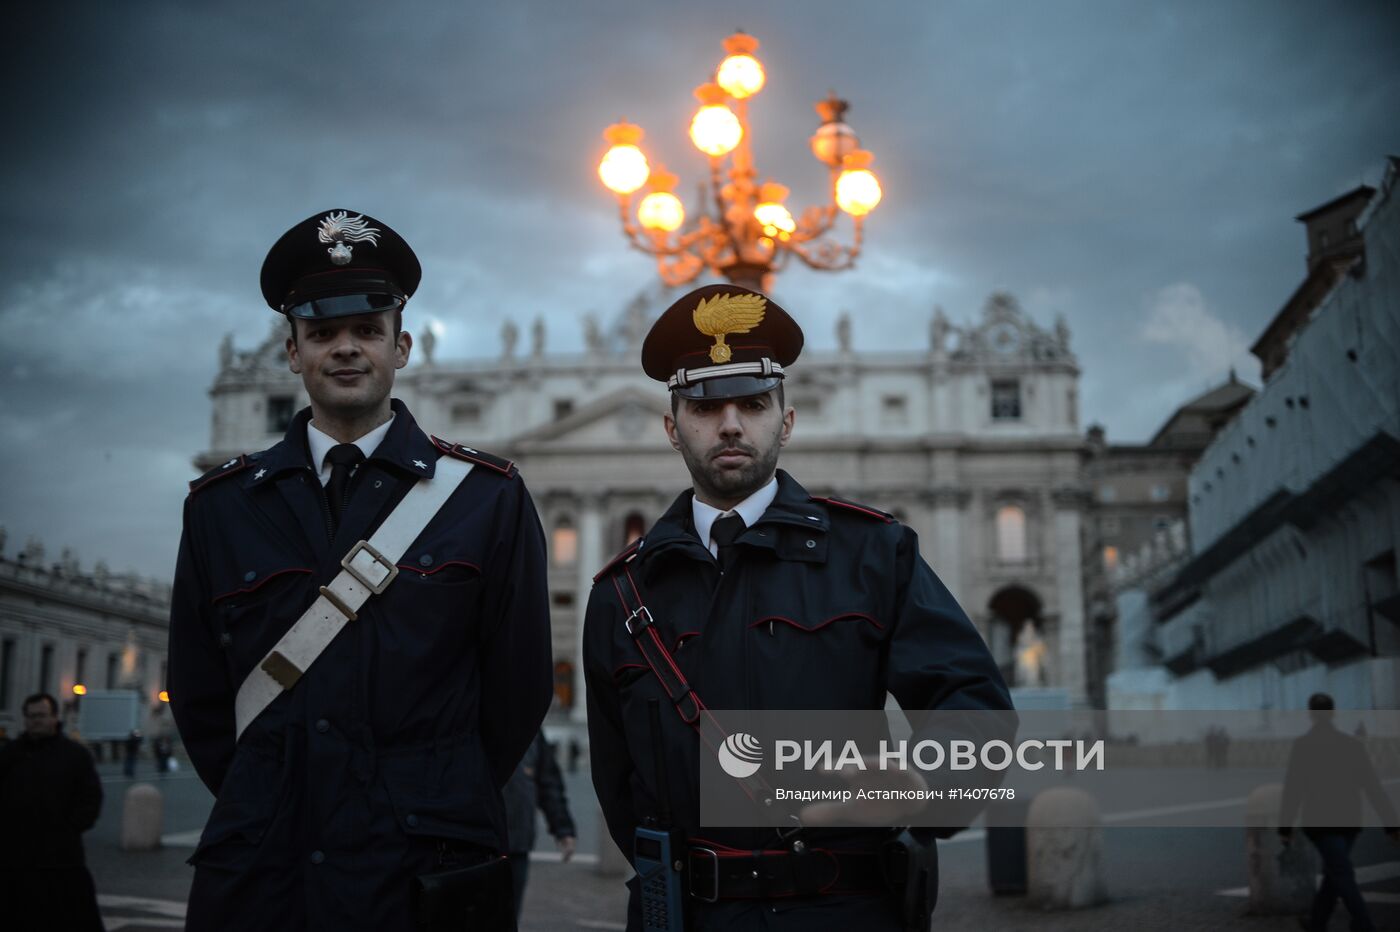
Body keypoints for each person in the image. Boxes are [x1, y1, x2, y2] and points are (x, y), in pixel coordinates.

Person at [168, 208, 553, 931]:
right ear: (292, 352)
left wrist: (429, 792)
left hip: (419, 868)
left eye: (367, 331)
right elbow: (196, 692)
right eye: (322, 333)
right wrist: (272, 790)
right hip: (265, 867)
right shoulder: (220, 507)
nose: (346, 349)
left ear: (401, 345)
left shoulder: (485, 499)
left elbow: (519, 688)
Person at [583, 284, 1013, 930]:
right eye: (705, 406)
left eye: (752, 404)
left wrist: (922, 782)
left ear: (786, 421)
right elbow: (617, 785)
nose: (730, 424)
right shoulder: (620, 594)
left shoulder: (872, 554)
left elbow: (976, 710)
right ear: (672, 428)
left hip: (842, 910)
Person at [1279, 692, 1400, 932]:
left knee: (1339, 872)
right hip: (1349, 821)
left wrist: (1285, 827)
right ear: (1333, 712)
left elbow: (1293, 789)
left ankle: (1362, 925)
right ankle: (1320, 923)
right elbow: (1372, 787)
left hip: (1319, 821)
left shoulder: (1303, 746)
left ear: (1311, 714)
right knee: (1338, 869)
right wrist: (1391, 824)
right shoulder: (1352, 745)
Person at [0, 693, 105, 931]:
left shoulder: (75, 755)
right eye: (30, 716)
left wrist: (70, 828)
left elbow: (91, 798)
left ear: (54, 717)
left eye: (41, 716)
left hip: (60, 856)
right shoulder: (10, 754)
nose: (35, 721)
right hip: (14, 857)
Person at [503, 732, 577, 921]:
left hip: (518, 843)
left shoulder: (532, 728)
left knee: (508, 915)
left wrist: (563, 829)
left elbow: (548, 782)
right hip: (478, 843)